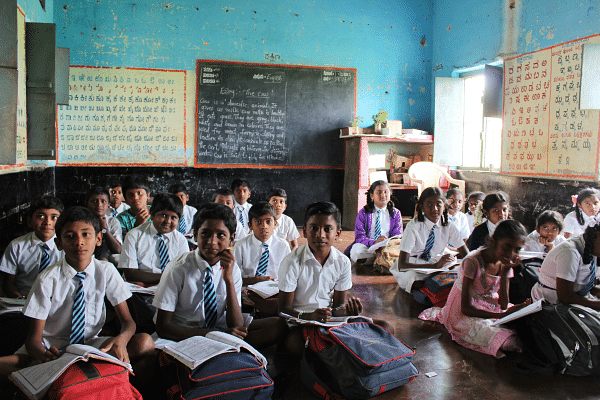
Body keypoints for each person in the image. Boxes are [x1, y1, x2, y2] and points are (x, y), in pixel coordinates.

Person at [0, 207, 154, 376]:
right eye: (69, 236)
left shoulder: (107, 270)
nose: (79, 242)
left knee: (145, 343)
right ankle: (71, 370)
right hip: (52, 348)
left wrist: (121, 340)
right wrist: (42, 356)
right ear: (59, 244)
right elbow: (33, 340)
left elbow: (128, 322)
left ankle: (67, 371)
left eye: (86, 234)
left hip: (90, 346)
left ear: (98, 238)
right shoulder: (47, 279)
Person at [153, 203, 287, 349]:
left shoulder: (231, 267)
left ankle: (227, 344)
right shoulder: (178, 268)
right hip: (185, 332)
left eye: (221, 235)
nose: (212, 242)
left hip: (219, 325)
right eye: (205, 233)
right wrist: (214, 334)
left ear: (231, 240)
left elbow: (236, 324)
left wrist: (228, 279)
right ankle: (228, 345)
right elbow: (163, 327)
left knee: (279, 325)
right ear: (195, 235)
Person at [278, 201, 393, 356]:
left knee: (386, 327)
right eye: (314, 228)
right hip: (301, 322)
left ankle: (340, 352)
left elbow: (338, 307)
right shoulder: (291, 262)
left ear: (337, 233)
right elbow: (283, 309)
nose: (320, 235)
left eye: (327, 229)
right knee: (295, 343)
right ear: (304, 231)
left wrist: (347, 311)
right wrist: (309, 316)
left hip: (330, 321)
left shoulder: (342, 262)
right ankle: (346, 353)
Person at [419, 220, 531, 358]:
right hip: (462, 312)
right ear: (492, 241)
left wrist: (505, 272)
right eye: (507, 246)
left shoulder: (506, 263)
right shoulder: (472, 261)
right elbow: (466, 309)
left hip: (490, 306)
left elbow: (502, 304)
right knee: (511, 341)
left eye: (517, 249)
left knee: (529, 324)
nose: (512, 253)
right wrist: (502, 316)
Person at [390, 187, 468, 293]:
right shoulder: (413, 226)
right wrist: (434, 266)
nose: (435, 209)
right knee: (416, 280)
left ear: (444, 206)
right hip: (414, 266)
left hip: (437, 263)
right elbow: (402, 264)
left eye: (439, 204)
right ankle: (432, 289)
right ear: (421, 206)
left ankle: (432, 289)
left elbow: (466, 255)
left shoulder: (448, 225)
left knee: (459, 269)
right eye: (429, 204)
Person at [0, 196, 64, 298]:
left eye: (54, 217)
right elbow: (8, 284)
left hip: (56, 300)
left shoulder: (67, 246)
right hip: (23, 300)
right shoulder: (17, 246)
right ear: (30, 221)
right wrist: (21, 298)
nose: (48, 222)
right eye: (41, 216)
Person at [118, 194, 189, 286]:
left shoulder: (180, 240)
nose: (167, 221)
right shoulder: (134, 235)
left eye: (173, 218)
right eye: (163, 215)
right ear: (151, 214)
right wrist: (167, 277)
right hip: (142, 288)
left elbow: (183, 272)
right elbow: (130, 274)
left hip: (172, 287)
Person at [532, 216, 600, 308]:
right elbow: (565, 298)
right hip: (551, 303)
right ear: (595, 236)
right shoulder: (569, 252)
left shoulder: (592, 250)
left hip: (574, 299)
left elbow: (587, 287)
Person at [345, 180, 403, 264]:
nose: (383, 195)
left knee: (402, 250)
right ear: (372, 196)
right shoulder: (363, 213)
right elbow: (359, 237)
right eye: (379, 192)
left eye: (386, 192)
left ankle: (375, 260)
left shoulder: (395, 213)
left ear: (390, 194)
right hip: (368, 246)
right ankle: (382, 260)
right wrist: (375, 242)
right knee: (356, 251)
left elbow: (397, 236)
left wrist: (385, 243)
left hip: (387, 247)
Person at [233, 202, 290, 286]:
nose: (264, 226)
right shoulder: (241, 246)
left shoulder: (283, 245)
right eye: (258, 222)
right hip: (247, 292)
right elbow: (233, 279)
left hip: (274, 291)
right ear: (250, 226)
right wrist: (257, 280)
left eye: (268, 221)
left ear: (275, 224)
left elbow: (289, 275)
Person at [84, 187, 122, 260]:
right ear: (86, 205)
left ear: (108, 206)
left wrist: (104, 229)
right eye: (94, 201)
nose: (99, 205)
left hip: (109, 262)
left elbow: (118, 250)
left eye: (103, 201)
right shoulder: (82, 222)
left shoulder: (112, 222)